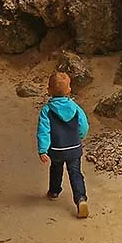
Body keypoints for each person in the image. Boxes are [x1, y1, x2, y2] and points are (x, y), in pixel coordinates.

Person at [36, 71, 90, 218]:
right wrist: (79, 137)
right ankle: (80, 199)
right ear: (69, 90)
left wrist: (43, 149)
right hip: (74, 148)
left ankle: (54, 191)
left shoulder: (47, 110)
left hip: (56, 149)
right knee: (76, 173)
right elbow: (84, 126)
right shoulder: (75, 108)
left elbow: (43, 131)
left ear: (49, 90)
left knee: (56, 169)